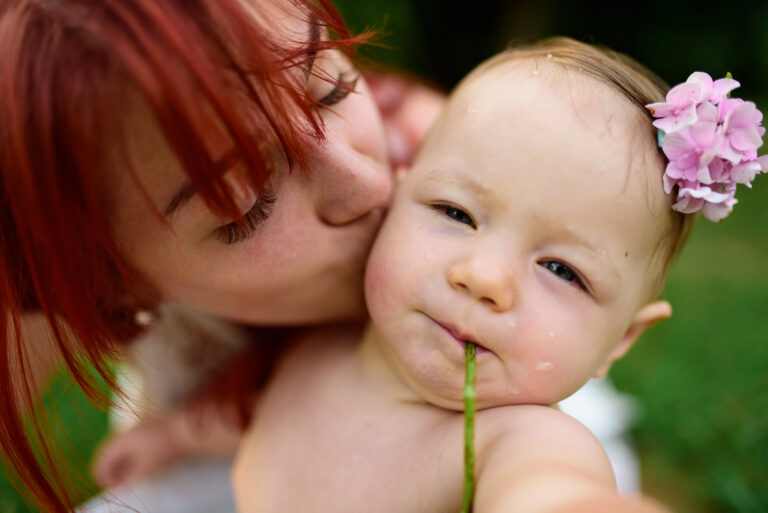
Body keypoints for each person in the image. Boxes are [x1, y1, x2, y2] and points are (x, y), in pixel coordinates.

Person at [230, 37, 766, 512]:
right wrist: (173, 438)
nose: (484, 278)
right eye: (454, 213)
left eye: (561, 270)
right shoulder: (316, 338)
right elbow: (244, 417)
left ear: (620, 340)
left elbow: (547, 487)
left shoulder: (512, 442)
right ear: (395, 196)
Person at [0, 0, 443, 511]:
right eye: (247, 205)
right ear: (115, 292)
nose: (367, 184)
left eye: (331, 88)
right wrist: (178, 437)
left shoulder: (457, 154)